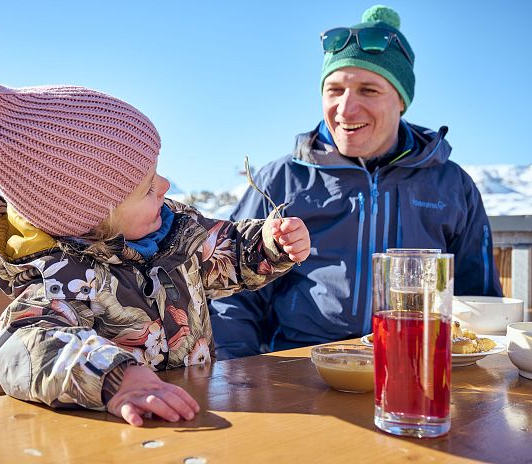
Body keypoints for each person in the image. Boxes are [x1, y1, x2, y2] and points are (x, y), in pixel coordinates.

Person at [0, 65, 310, 426]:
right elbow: (26, 344)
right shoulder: (61, 280)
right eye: (147, 187)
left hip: (198, 408)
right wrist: (116, 378)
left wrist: (268, 244)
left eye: (157, 171)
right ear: (92, 219)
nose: (164, 185)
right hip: (120, 433)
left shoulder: (176, 232)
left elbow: (224, 251)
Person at [210, 5, 503, 359]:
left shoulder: (451, 184)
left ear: (401, 101)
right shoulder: (281, 180)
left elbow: (481, 303)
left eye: (368, 90)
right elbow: (231, 296)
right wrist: (240, 379)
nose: (346, 110)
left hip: (414, 369)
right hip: (300, 370)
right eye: (334, 90)